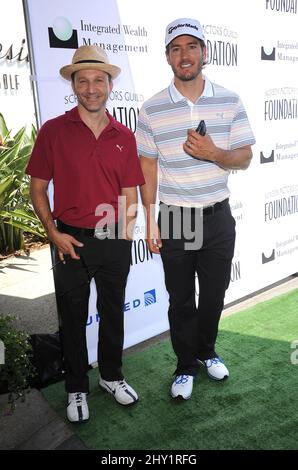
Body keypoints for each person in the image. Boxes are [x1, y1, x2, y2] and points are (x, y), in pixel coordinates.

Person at [136, 18, 255, 400]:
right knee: (182, 298)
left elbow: (245, 157)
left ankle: (207, 351)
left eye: (191, 47)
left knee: (215, 293)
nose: (184, 55)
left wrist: (214, 154)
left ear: (205, 53)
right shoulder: (152, 108)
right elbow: (148, 165)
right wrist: (149, 220)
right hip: (175, 216)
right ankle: (185, 365)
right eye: (176, 48)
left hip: (217, 214)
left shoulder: (230, 99)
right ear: (167, 57)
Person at [26, 45, 145, 422]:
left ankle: (111, 376)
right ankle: (76, 388)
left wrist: (126, 233)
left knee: (113, 314)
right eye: (83, 81)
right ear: (73, 86)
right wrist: (52, 234)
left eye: (98, 80)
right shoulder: (54, 131)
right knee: (73, 319)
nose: (91, 88)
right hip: (69, 239)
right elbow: (38, 187)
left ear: (110, 85)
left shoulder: (124, 135)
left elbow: (130, 191)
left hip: (113, 240)